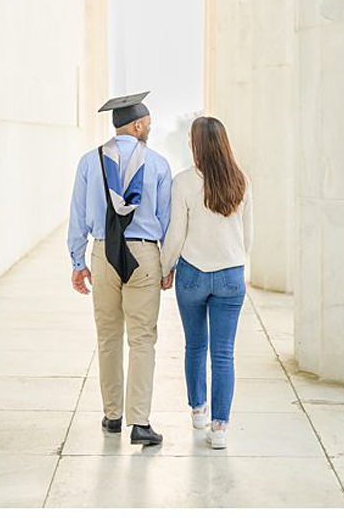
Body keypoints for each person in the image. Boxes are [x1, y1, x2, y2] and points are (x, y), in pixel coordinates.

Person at [68, 92, 174, 448]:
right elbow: (166, 220)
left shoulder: (89, 162)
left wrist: (78, 262)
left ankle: (112, 415)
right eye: (148, 124)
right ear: (139, 124)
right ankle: (139, 422)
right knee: (142, 338)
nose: (149, 129)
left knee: (108, 337)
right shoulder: (157, 164)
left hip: (103, 254)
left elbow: (78, 215)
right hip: (144, 255)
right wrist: (167, 265)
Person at [165, 114, 253, 450]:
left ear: (196, 145)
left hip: (192, 275)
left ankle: (199, 411)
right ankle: (220, 429)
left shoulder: (184, 182)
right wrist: (232, 261)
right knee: (224, 353)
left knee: (195, 346)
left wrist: (165, 268)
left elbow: (175, 235)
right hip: (231, 275)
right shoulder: (242, 180)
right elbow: (248, 236)